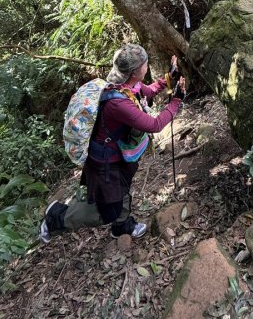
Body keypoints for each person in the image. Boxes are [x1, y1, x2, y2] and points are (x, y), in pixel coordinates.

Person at [40, 43, 185, 243]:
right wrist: (176, 101)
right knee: (107, 212)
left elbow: (148, 92)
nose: (147, 65)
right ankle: (56, 216)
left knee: (122, 190)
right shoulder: (118, 103)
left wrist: (168, 77)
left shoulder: (128, 85)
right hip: (105, 162)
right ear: (135, 71)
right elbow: (154, 124)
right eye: (145, 63)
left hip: (119, 155)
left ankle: (122, 227)